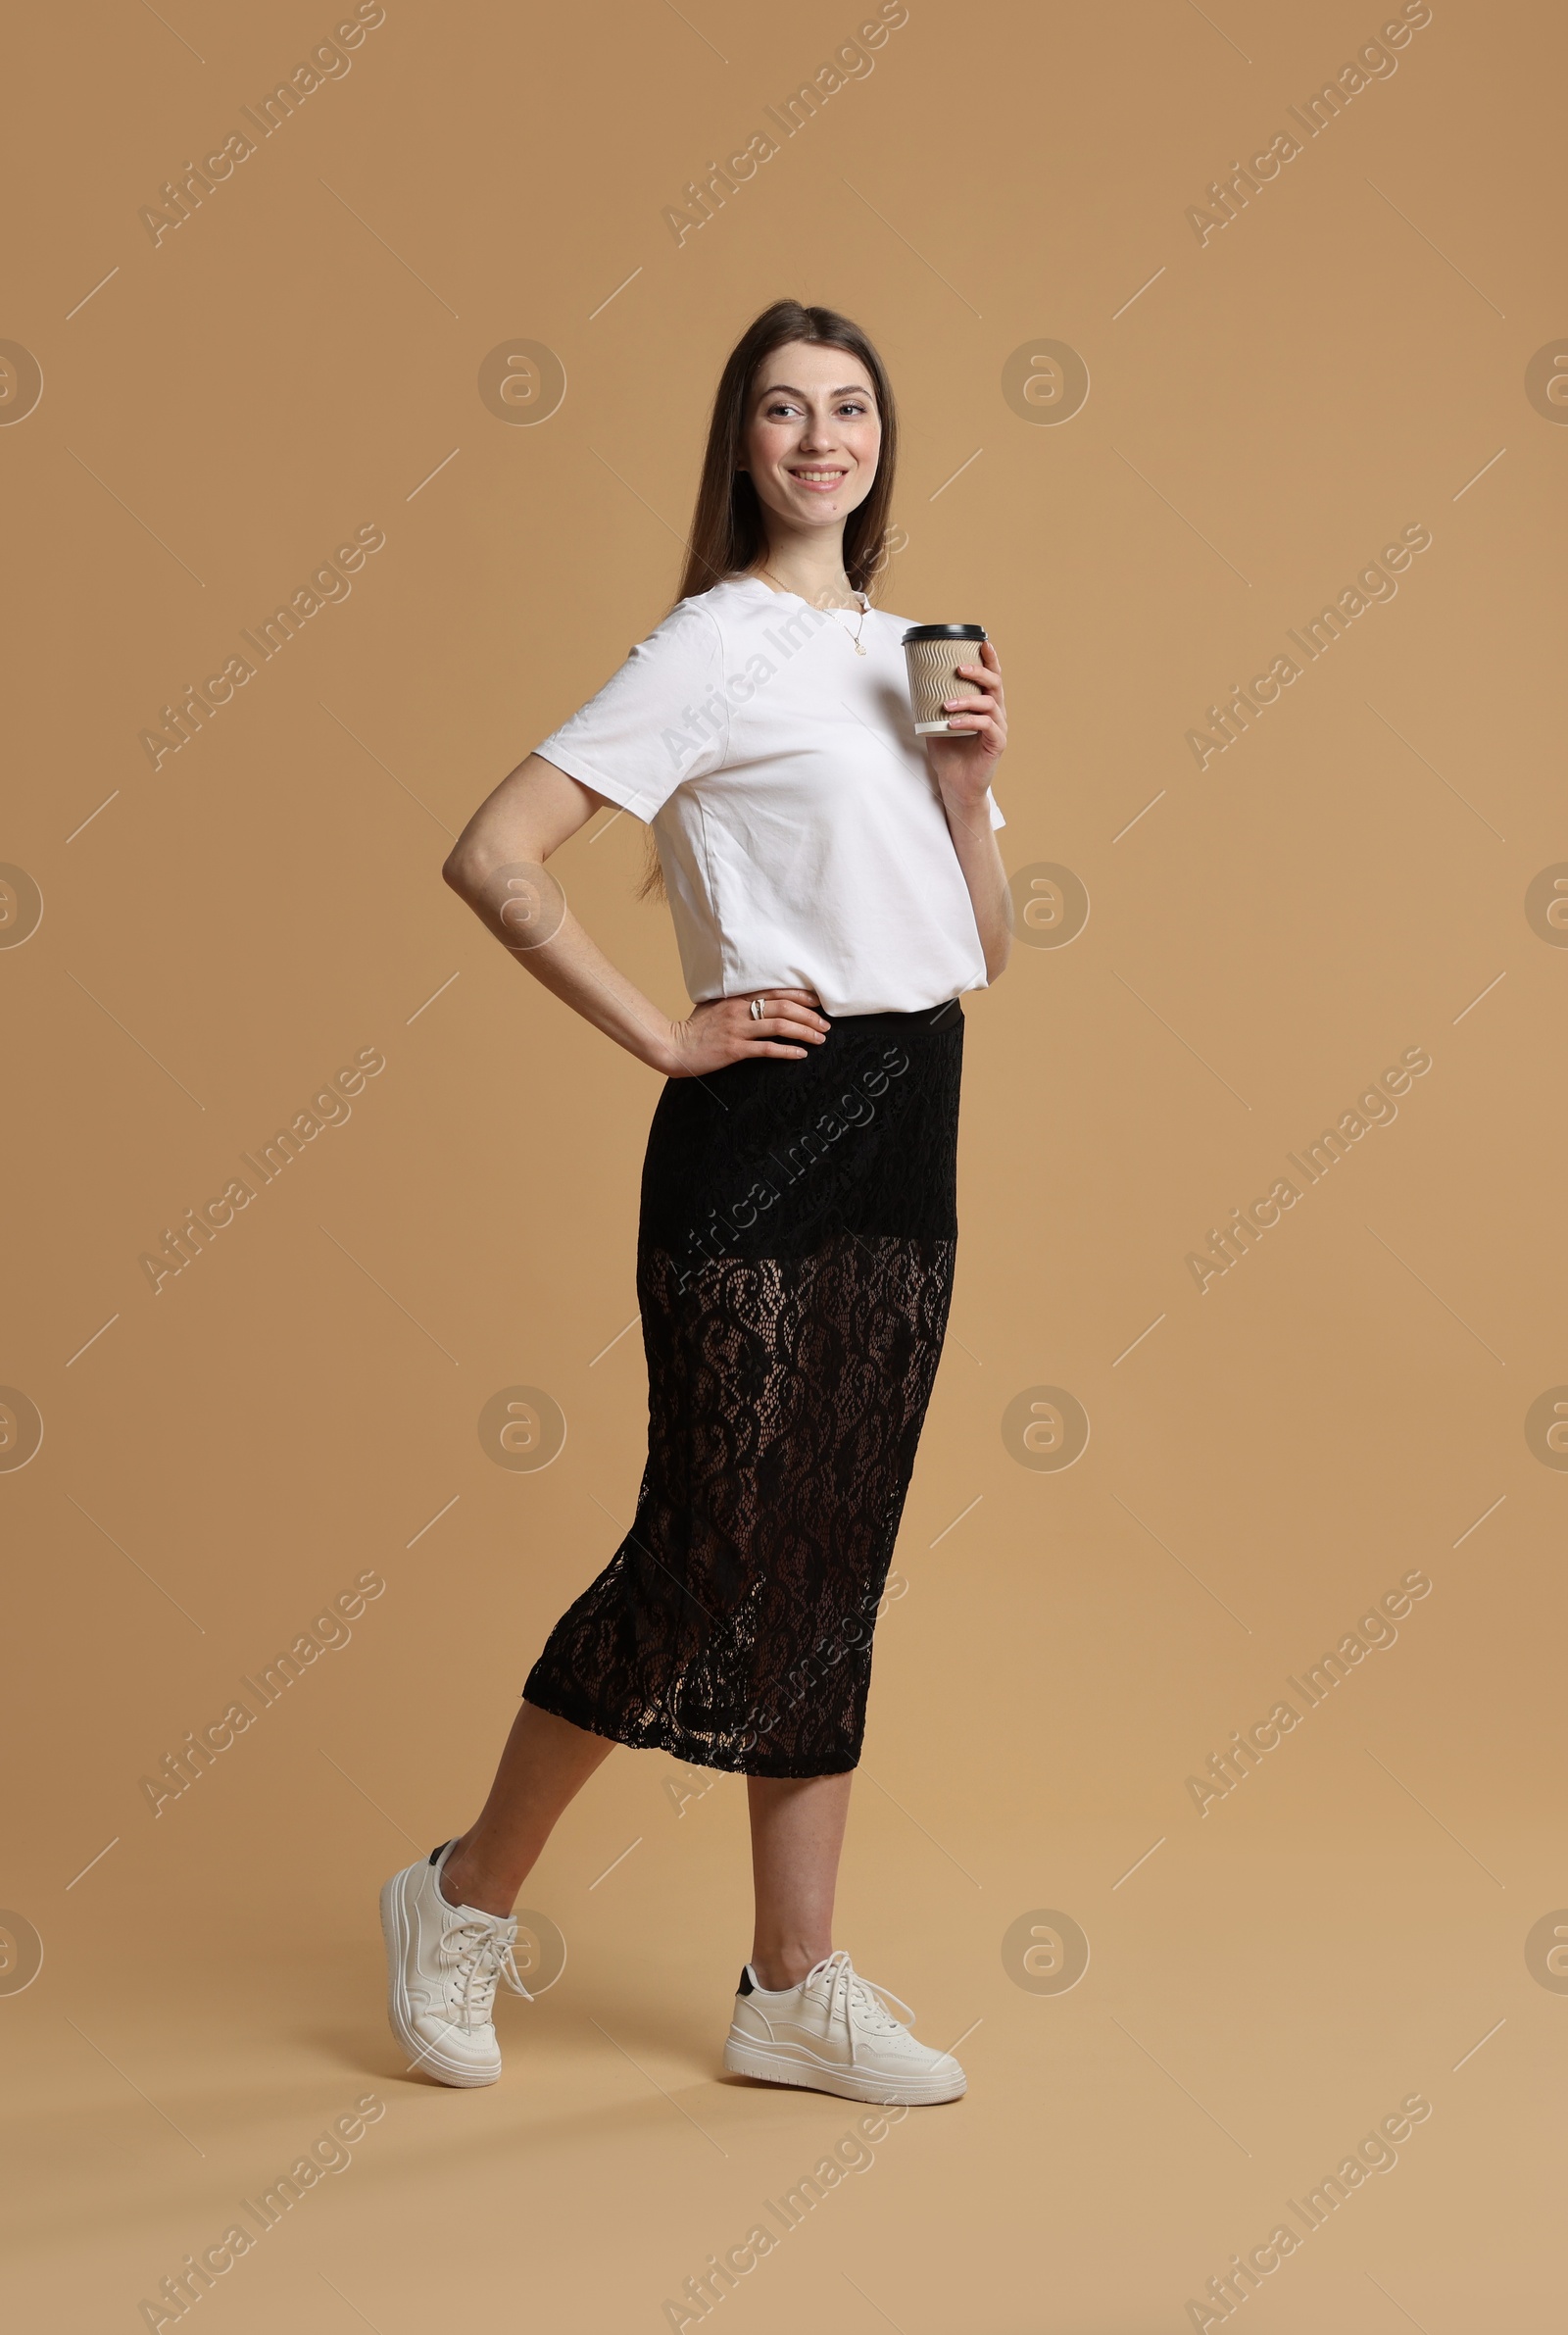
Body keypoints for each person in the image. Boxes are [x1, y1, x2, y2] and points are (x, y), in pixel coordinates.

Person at [379, 297, 1010, 2105]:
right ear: (740, 446)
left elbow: (980, 945)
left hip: (913, 1108)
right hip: (764, 1121)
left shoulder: (908, 649)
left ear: (885, 435)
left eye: (851, 406)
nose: (822, 437)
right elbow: (494, 852)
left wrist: (965, 788)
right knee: (709, 1542)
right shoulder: (716, 645)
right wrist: (665, 1028)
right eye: (784, 409)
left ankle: (792, 1984)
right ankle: (459, 1897)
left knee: (836, 1549)